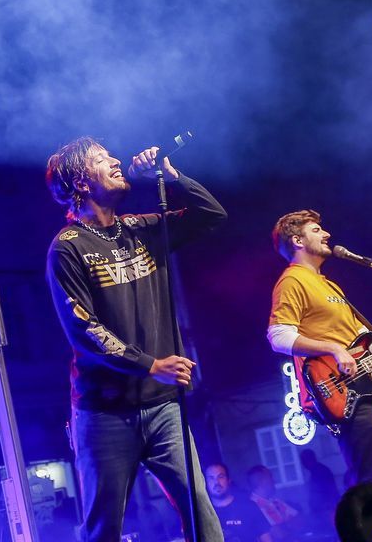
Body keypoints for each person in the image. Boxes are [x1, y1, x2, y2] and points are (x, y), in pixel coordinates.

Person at [45, 137, 227, 542]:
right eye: (101, 159)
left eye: (111, 155)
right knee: (104, 528)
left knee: (202, 514)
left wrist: (170, 176)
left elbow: (210, 215)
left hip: (162, 408)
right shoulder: (68, 249)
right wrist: (150, 364)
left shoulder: (141, 229)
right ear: (81, 183)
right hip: (104, 414)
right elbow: (84, 330)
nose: (115, 161)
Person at [265, 210, 372, 486]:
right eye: (316, 230)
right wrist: (333, 349)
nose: (326, 234)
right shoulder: (292, 280)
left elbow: (365, 340)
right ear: (297, 240)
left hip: (358, 388)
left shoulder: (329, 285)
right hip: (338, 391)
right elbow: (278, 336)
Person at [205, 463, 271, 542]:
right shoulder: (202, 513)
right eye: (211, 478)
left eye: (221, 477)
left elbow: (266, 539)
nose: (216, 483)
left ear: (228, 480)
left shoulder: (248, 507)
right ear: (205, 483)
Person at [246, 464, 299, 538]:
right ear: (261, 482)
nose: (274, 481)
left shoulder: (275, 501)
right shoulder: (252, 506)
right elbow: (278, 535)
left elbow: (300, 521)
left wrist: (285, 527)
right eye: (270, 477)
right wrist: (289, 524)